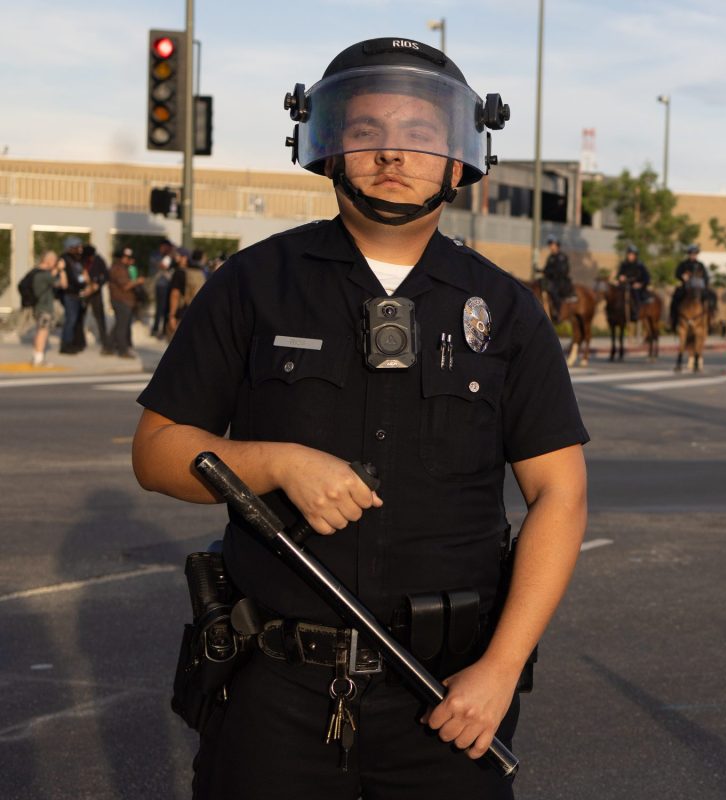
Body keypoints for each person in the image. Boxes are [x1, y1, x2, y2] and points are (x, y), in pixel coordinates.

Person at [130, 37, 587, 798]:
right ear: (326, 145)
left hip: (448, 697)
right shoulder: (252, 285)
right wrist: (273, 463)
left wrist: (502, 671)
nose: (391, 153)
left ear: (460, 157)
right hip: (273, 696)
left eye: (419, 134)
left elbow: (560, 495)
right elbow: (155, 453)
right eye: (366, 130)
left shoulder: (506, 310)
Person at [25, 251, 66, 367]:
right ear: (48, 260)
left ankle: (36, 356)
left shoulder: (36, 272)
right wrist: (61, 270)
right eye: (54, 260)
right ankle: (39, 358)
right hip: (44, 308)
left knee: (40, 331)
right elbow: (63, 284)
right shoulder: (44, 275)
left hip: (38, 307)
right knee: (43, 332)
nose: (55, 262)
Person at [107, 247, 146, 359]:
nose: (130, 260)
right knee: (122, 327)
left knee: (119, 325)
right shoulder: (118, 269)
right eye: (128, 258)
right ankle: (122, 350)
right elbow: (125, 286)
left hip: (126, 301)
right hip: (121, 300)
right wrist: (137, 281)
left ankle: (108, 347)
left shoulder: (125, 268)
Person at [671, 243, 714, 330]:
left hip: (699, 288)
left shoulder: (700, 265)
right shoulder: (683, 264)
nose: (693, 255)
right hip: (686, 288)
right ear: (689, 254)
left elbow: (706, 277)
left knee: (711, 298)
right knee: (675, 298)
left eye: (695, 254)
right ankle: (674, 321)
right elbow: (677, 274)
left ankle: (709, 321)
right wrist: (682, 276)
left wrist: (703, 284)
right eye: (691, 253)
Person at [57, 236, 87, 355]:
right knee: (70, 319)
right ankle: (66, 344)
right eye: (77, 246)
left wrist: (82, 281)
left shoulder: (76, 260)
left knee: (75, 320)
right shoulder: (65, 259)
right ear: (71, 248)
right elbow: (72, 278)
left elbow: (79, 276)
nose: (80, 249)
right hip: (69, 294)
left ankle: (74, 342)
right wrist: (81, 281)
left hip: (76, 293)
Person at [82, 244, 112, 354]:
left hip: (96, 293)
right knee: (80, 316)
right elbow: (78, 275)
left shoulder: (99, 260)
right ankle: (79, 341)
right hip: (84, 291)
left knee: (100, 317)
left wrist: (97, 284)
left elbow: (106, 276)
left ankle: (105, 343)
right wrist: (83, 281)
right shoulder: (82, 260)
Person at [615, 244, 651, 323]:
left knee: (635, 294)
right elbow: (619, 275)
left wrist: (640, 284)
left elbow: (647, 278)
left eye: (632, 255)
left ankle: (635, 313)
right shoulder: (624, 265)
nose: (630, 256)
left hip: (636, 287)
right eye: (629, 254)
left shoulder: (640, 265)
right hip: (624, 286)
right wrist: (620, 278)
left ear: (635, 255)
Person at [150, 240, 175, 339]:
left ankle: (164, 330)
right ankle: (156, 329)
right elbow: (161, 265)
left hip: (168, 285)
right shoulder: (156, 256)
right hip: (160, 285)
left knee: (166, 309)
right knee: (159, 308)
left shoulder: (170, 257)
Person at [541, 237, 572, 301]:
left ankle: (558, 309)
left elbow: (563, 270)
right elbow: (547, 268)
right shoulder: (550, 257)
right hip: (550, 280)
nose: (550, 246)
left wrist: (550, 272)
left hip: (559, 281)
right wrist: (541, 270)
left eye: (552, 244)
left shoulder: (561, 257)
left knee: (553, 291)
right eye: (549, 244)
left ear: (556, 245)